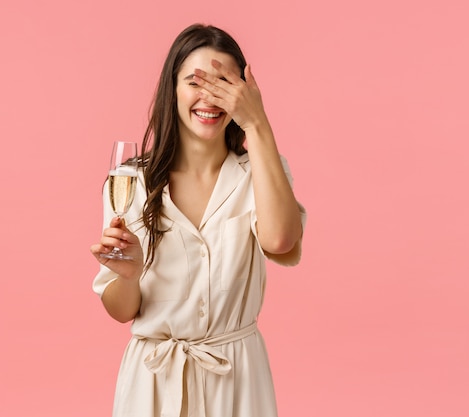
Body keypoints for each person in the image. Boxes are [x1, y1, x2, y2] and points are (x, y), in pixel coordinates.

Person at [91, 23, 306, 417]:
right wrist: (128, 274)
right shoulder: (129, 181)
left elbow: (280, 240)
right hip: (154, 385)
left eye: (224, 83)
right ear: (172, 89)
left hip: (238, 381)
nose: (209, 96)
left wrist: (257, 123)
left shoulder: (261, 173)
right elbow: (122, 311)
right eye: (195, 81)